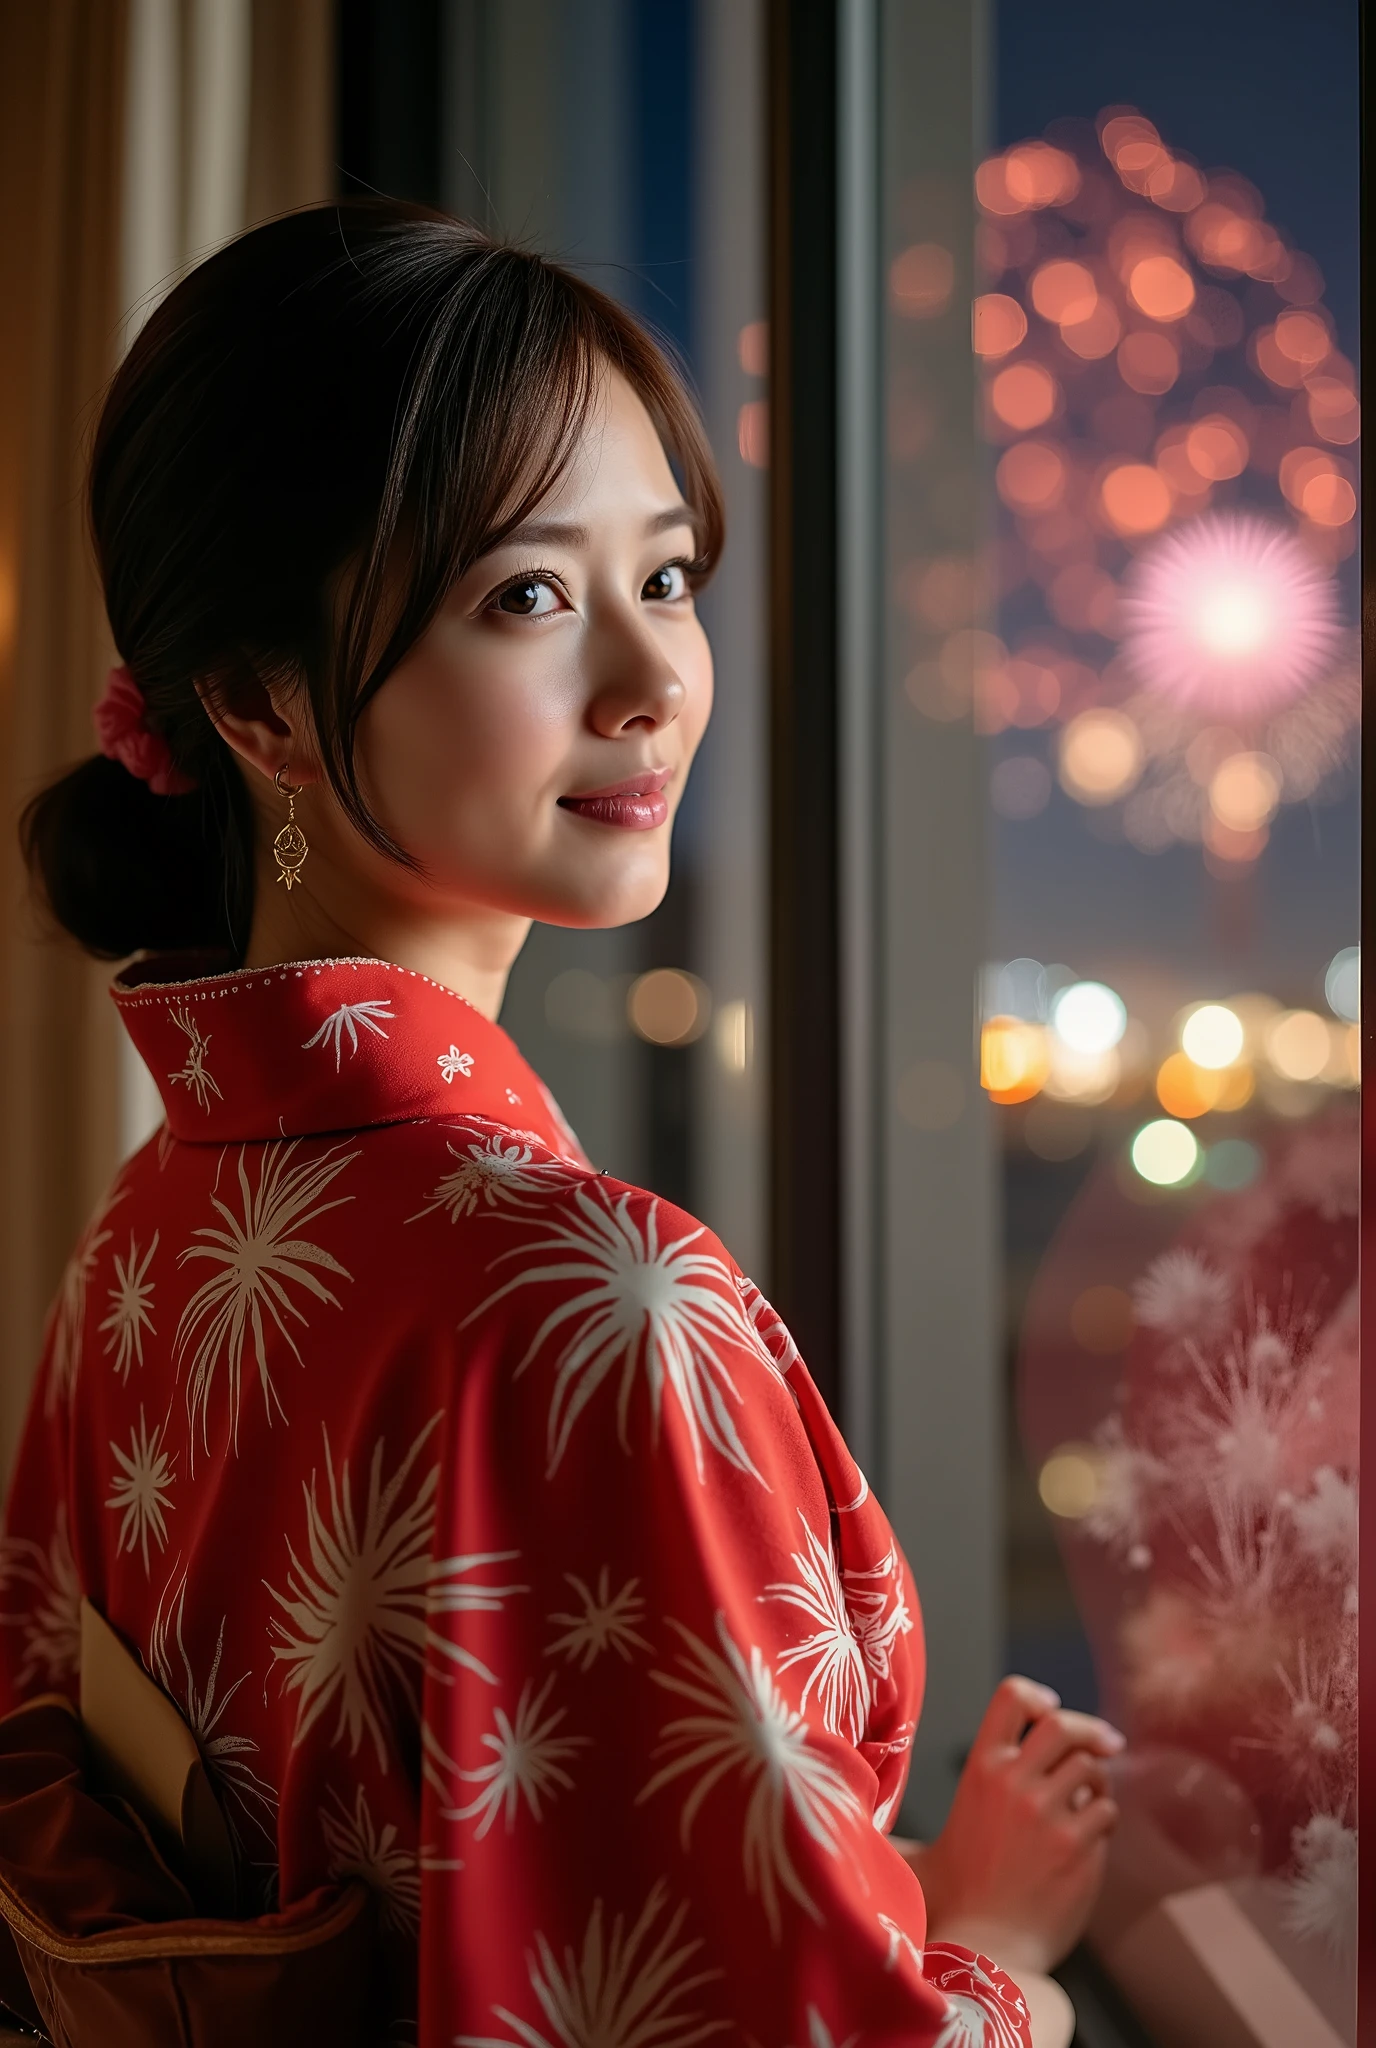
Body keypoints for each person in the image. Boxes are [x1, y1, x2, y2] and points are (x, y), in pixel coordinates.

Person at [4, 201, 1119, 2046]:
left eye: (666, 577)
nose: (655, 680)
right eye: (527, 596)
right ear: (261, 703)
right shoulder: (599, 1309)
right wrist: (990, 1944)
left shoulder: (148, 1229)